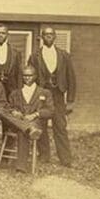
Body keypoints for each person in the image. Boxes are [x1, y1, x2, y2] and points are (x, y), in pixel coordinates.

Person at [28, 26, 76, 167]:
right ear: (42, 37)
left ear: (55, 37)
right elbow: (30, 77)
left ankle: (65, 159)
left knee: (60, 126)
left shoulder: (64, 55)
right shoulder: (35, 56)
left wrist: (71, 100)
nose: (48, 37)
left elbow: (71, 78)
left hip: (58, 95)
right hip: (42, 96)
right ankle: (44, 155)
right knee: (41, 125)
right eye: (45, 35)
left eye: (51, 35)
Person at [0, 66, 52, 173]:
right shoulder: (15, 93)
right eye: (25, 76)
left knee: (23, 131)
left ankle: (21, 167)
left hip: (35, 122)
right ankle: (27, 127)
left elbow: (50, 111)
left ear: (35, 76)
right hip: (19, 122)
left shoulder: (44, 92)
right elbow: (8, 107)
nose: (27, 78)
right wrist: (13, 112)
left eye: (30, 75)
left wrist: (35, 114)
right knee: (0, 110)